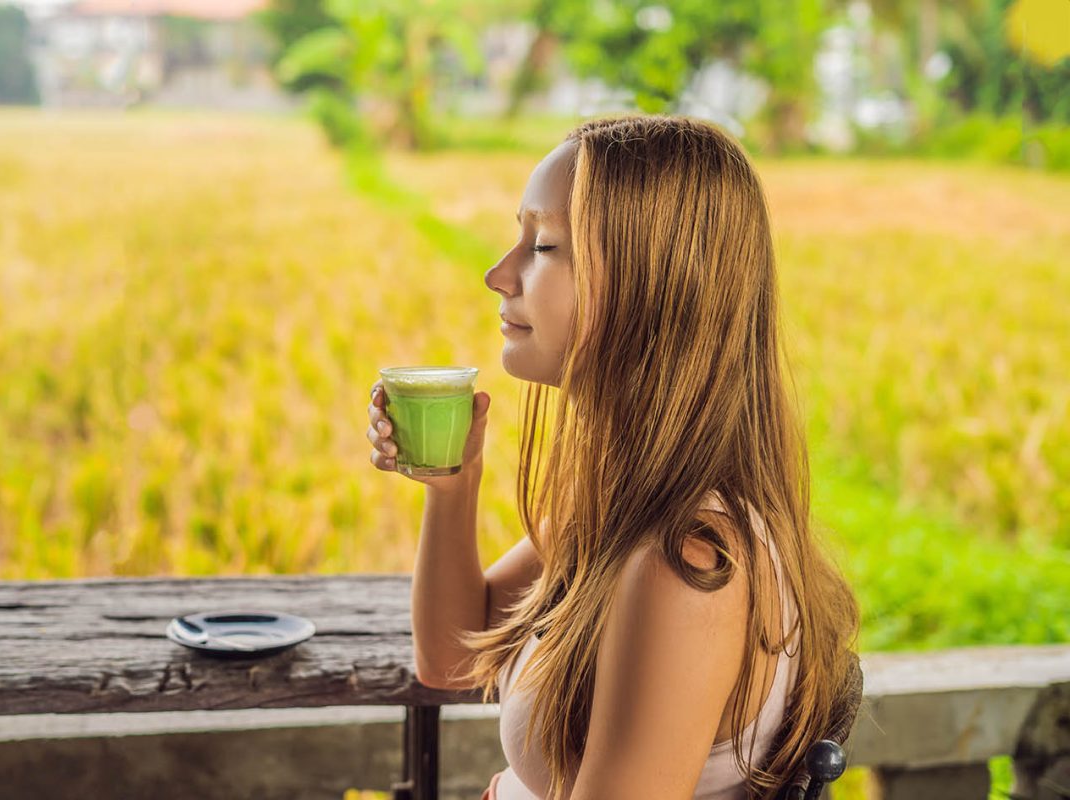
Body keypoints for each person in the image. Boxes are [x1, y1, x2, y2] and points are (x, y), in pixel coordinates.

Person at [365, 114, 859, 799]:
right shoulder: (629, 500)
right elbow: (449, 660)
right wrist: (453, 483)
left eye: (543, 245)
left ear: (648, 283)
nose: (498, 274)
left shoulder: (684, 566)